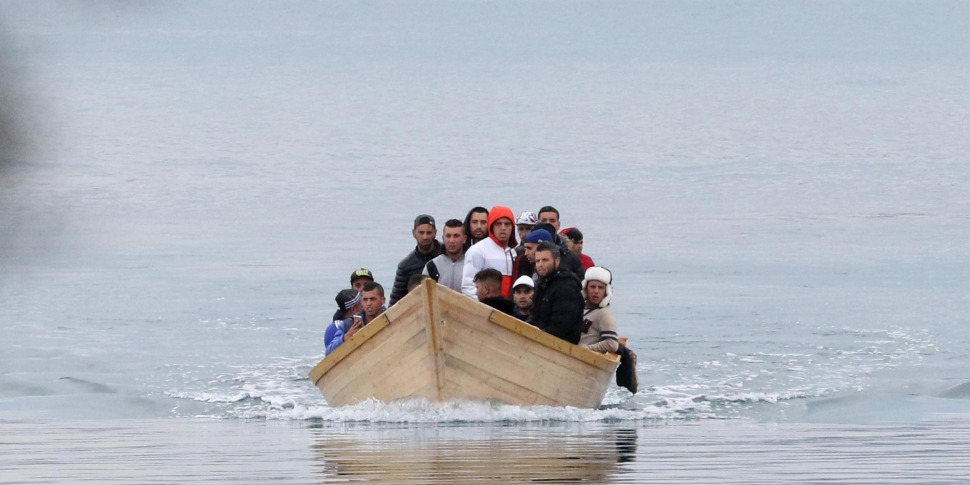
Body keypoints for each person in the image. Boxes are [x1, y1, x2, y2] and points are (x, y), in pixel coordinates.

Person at [530, 241, 584, 344]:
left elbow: (561, 326)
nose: (540, 265)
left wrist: (538, 335)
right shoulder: (542, 284)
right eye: (537, 261)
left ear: (557, 261)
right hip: (542, 339)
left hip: (561, 345)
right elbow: (534, 315)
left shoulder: (567, 286)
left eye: (545, 260)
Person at [461, 205, 518, 299]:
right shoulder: (477, 250)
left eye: (507, 224)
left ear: (512, 227)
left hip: (508, 309)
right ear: (491, 226)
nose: (503, 228)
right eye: (498, 224)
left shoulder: (513, 253)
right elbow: (468, 287)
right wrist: (485, 308)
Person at [389, 214, 442, 306]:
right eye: (421, 233)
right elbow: (396, 301)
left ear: (435, 233)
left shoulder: (446, 255)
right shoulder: (405, 266)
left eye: (429, 233)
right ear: (414, 233)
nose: (425, 237)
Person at [579, 266, 618, 353]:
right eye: (592, 287)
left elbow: (612, 344)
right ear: (586, 288)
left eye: (600, 288)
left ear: (606, 291)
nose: (596, 291)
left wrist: (588, 349)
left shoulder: (604, 313)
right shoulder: (579, 308)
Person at [422, 219, 467, 293]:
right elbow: (423, 293)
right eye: (448, 236)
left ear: (464, 239)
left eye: (456, 236)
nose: (451, 240)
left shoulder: (472, 263)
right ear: (443, 239)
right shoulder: (432, 266)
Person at [324, 289, 364, 355]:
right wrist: (345, 338)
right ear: (353, 309)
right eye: (362, 307)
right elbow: (330, 355)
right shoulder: (336, 327)